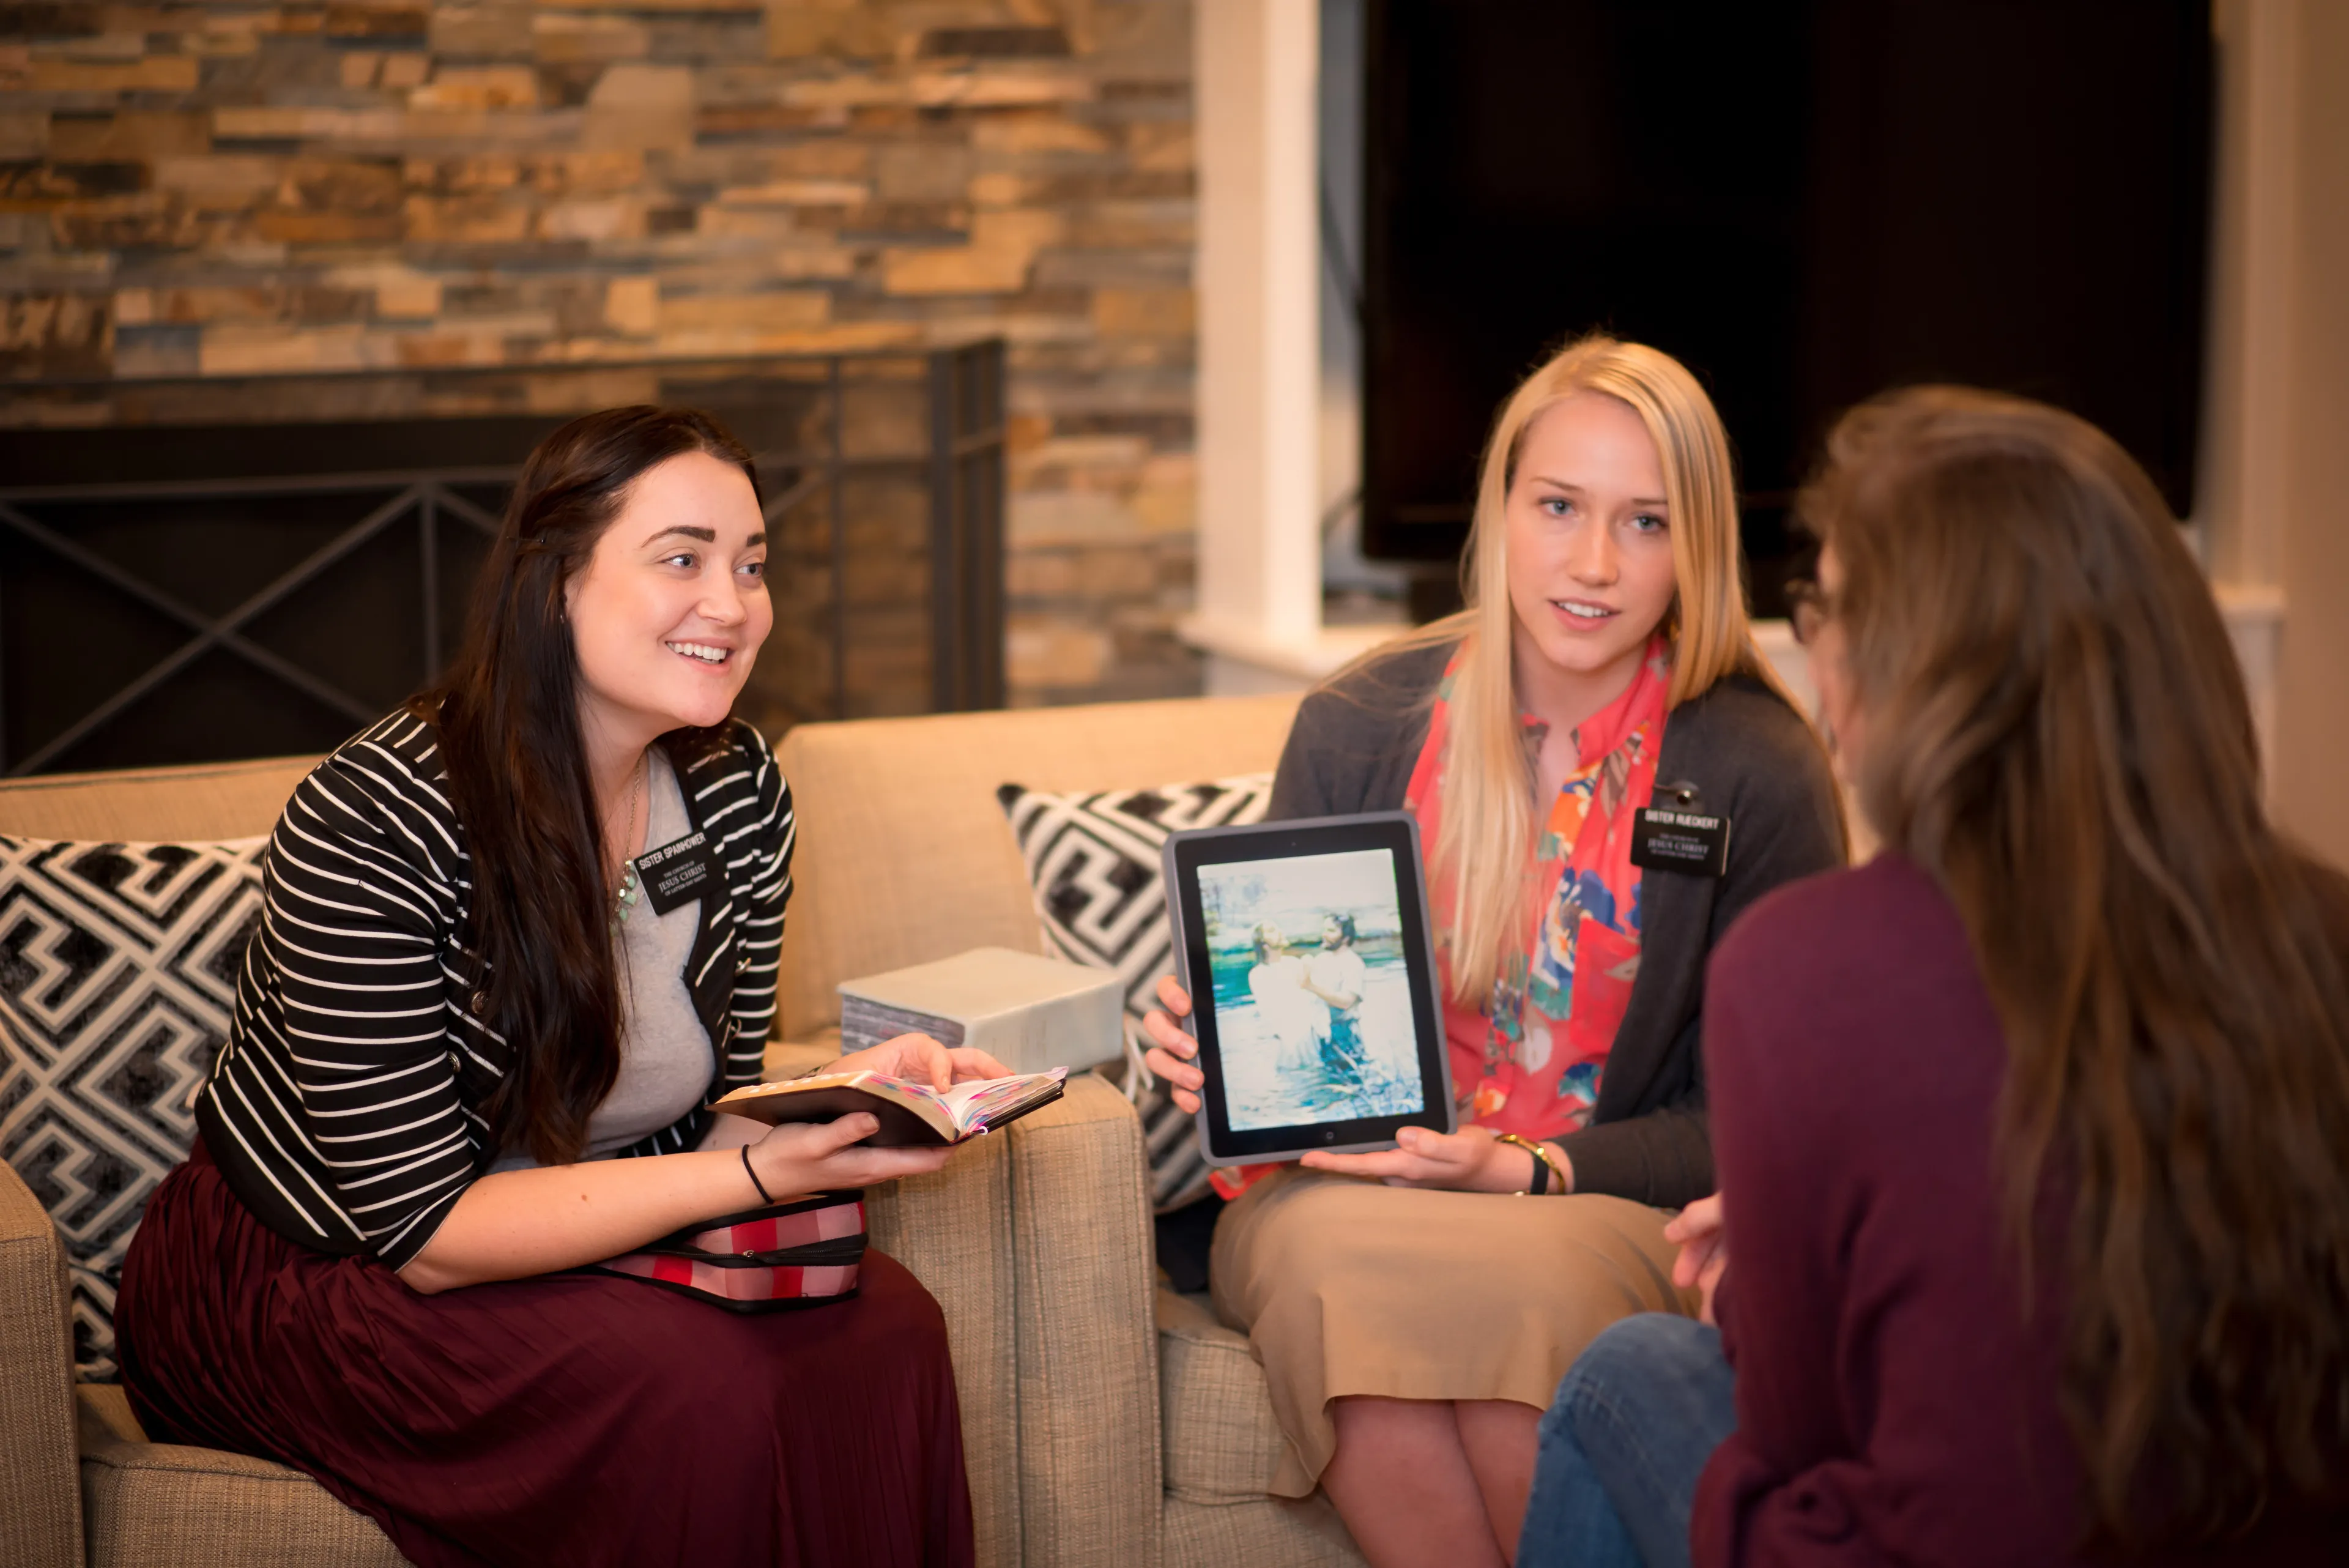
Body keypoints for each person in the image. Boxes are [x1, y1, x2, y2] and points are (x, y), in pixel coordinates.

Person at [114, 407, 998, 1568]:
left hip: (584, 1225)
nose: (731, 605)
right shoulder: (379, 817)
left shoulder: (737, 790)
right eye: (682, 558)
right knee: (703, 1386)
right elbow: (422, 1232)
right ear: (556, 583)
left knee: (890, 1325)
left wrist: (842, 1091)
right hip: (325, 1272)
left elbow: (709, 1107)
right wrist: (750, 1170)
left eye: (752, 563)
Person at [1518, 387, 2349, 1566]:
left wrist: (1771, 1271)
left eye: (1834, 609)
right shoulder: (2326, 933)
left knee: (1631, 1370)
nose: (1818, 646)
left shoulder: (1810, 968)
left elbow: (1804, 1428)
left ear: (1916, 669)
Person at [1141, 336, 1846, 1567]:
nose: (1590, 563)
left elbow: (1761, 1124)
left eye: (1643, 522)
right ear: (1502, 509)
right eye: (1559, 506)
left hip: (1595, 1199)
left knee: (1528, 1291)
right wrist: (1215, 1045)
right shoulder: (1364, 720)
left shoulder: (1758, 770)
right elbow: (1274, 1022)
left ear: (1699, 546)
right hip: (1340, 1191)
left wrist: (1523, 1170)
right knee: (1339, 1270)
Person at [1302, 913, 1370, 1085]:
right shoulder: (1321, 959)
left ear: (1346, 938)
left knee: (1352, 1086)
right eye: (1325, 930)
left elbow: (1346, 1002)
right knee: (1330, 1086)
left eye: (1331, 931)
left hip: (1345, 1034)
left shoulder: (1353, 963)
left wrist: (1311, 986)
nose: (1324, 934)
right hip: (1323, 1034)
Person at [1247, 921, 1317, 1074]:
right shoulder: (1259, 974)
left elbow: (1309, 998)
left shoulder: (1294, 963)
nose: (1280, 931)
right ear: (1264, 944)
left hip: (1308, 1036)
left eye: (1278, 928)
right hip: (1287, 1041)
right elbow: (1270, 1012)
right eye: (1272, 930)